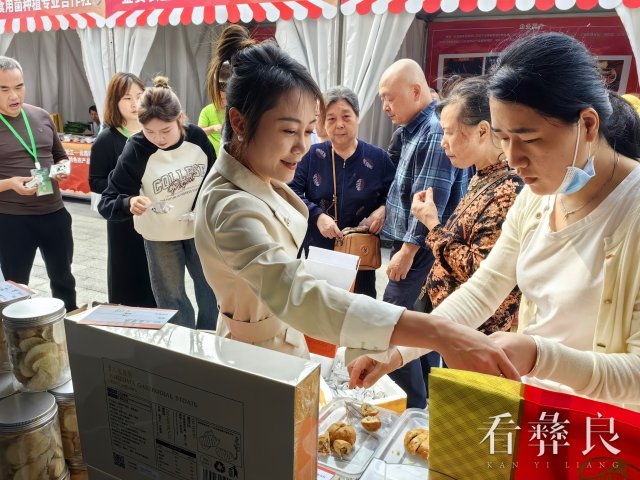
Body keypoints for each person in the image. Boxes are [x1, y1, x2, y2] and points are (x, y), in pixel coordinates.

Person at [193, 25, 518, 379]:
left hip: (285, 344)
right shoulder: (230, 206)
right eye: (289, 131)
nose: (303, 147)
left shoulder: (262, 174)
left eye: (306, 131)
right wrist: (437, 332)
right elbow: (297, 295)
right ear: (240, 122)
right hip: (255, 363)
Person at [350, 32, 640, 412]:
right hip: (533, 411)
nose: (514, 159)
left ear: (587, 125)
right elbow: (483, 290)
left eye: (529, 139)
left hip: (601, 435)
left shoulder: (630, 213)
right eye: (503, 139)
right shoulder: (535, 200)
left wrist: (539, 355)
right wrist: (397, 351)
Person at [378, 59, 472, 408]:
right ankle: (426, 399)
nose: (385, 106)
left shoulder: (432, 132)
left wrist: (406, 251)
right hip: (423, 249)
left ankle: (412, 405)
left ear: (416, 91)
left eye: (390, 97)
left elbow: (430, 197)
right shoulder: (412, 129)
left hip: (420, 251)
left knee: (392, 324)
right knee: (421, 325)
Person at [99, 76, 217, 330]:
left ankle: (210, 341)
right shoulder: (137, 148)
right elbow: (108, 200)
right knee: (170, 298)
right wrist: (130, 202)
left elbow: (216, 178)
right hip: (160, 234)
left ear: (180, 119)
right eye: (149, 131)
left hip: (199, 229)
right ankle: (180, 346)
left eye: (165, 130)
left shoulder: (196, 137)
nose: (159, 139)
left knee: (211, 289)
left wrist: (204, 206)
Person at [412, 76, 524, 334]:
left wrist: (432, 224)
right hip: (457, 324)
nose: (443, 142)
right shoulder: (484, 175)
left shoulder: (508, 190)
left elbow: (479, 271)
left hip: (477, 333)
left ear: (483, 131)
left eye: (449, 132)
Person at [289, 86, 395, 298]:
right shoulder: (310, 157)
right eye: (331, 119)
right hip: (321, 252)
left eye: (346, 116)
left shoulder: (378, 158)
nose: (339, 124)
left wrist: (383, 210)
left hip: (361, 253)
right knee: (322, 312)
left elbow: (395, 194)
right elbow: (291, 192)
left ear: (357, 117)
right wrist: (317, 216)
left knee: (361, 313)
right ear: (322, 123)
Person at [0, 56, 77, 311]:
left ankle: (70, 333)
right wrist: (10, 183)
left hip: (54, 214)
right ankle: (16, 341)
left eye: (19, 86)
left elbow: (60, 156)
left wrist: (63, 168)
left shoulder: (41, 116)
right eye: (4, 89)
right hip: (12, 220)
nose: (14, 95)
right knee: (15, 286)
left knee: (64, 280)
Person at [89, 72, 156, 308]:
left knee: (157, 276)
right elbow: (95, 181)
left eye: (139, 96)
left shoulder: (154, 132)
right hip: (123, 217)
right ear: (115, 102)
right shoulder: (107, 139)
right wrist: (123, 187)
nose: (135, 103)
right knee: (126, 275)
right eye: (127, 98)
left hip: (155, 216)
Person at [199, 62, 231, 155]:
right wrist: (212, 128)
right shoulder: (206, 111)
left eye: (226, 98)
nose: (222, 99)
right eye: (220, 97)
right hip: (212, 156)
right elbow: (200, 133)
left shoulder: (235, 110)